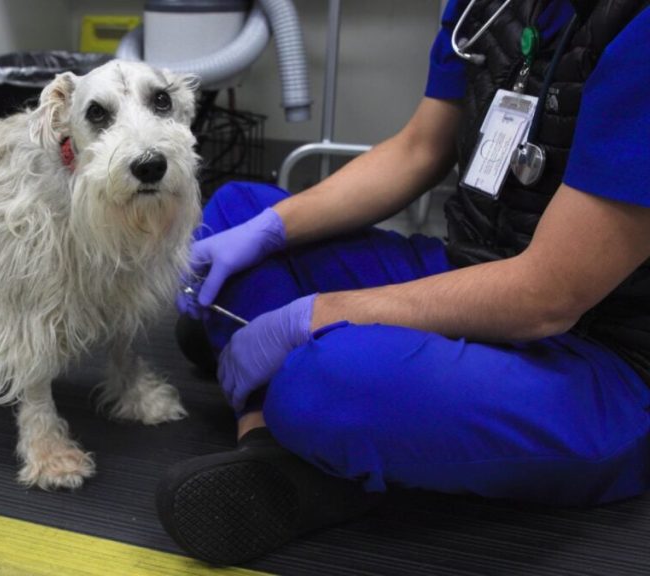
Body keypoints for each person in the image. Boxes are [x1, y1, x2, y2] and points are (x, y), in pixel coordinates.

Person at [158, 0, 650, 566]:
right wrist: (269, 230)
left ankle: (293, 412)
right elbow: (419, 149)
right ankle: (274, 444)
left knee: (330, 379)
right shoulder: (485, 6)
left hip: (604, 358)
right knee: (234, 213)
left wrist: (312, 315)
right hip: (472, 270)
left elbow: (548, 296)